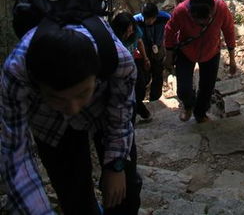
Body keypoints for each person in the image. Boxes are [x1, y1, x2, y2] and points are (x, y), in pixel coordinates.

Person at [0, 21, 142, 215]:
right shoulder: (16, 73)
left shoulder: (118, 59)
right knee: (75, 199)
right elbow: (16, 155)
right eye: (57, 98)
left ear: (97, 75)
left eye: (82, 93)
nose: (73, 109)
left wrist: (116, 163)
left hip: (101, 113)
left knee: (127, 191)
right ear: (37, 86)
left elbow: (122, 112)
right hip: (50, 124)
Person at [164, 0, 237, 123]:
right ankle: (188, 106)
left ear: (211, 11)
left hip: (211, 52)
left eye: (205, 22)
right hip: (186, 52)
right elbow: (169, 31)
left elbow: (229, 31)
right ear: (191, 13)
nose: (201, 25)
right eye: (198, 22)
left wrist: (232, 59)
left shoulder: (221, 8)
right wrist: (169, 56)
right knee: (183, 89)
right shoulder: (181, 11)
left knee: (207, 88)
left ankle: (200, 113)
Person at [111, 12, 152, 123]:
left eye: (131, 30)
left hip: (132, 62)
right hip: (120, 69)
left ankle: (141, 111)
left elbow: (139, 42)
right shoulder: (113, 38)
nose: (130, 33)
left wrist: (145, 58)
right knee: (130, 94)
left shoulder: (135, 30)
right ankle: (138, 115)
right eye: (127, 32)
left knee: (141, 87)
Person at [133, 3, 170, 101]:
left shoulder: (164, 18)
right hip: (142, 51)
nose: (149, 21)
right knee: (143, 76)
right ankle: (139, 99)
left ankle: (155, 99)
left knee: (158, 74)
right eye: (147, 19)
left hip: (158, 49)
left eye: (152, 18)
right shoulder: (135, 21)